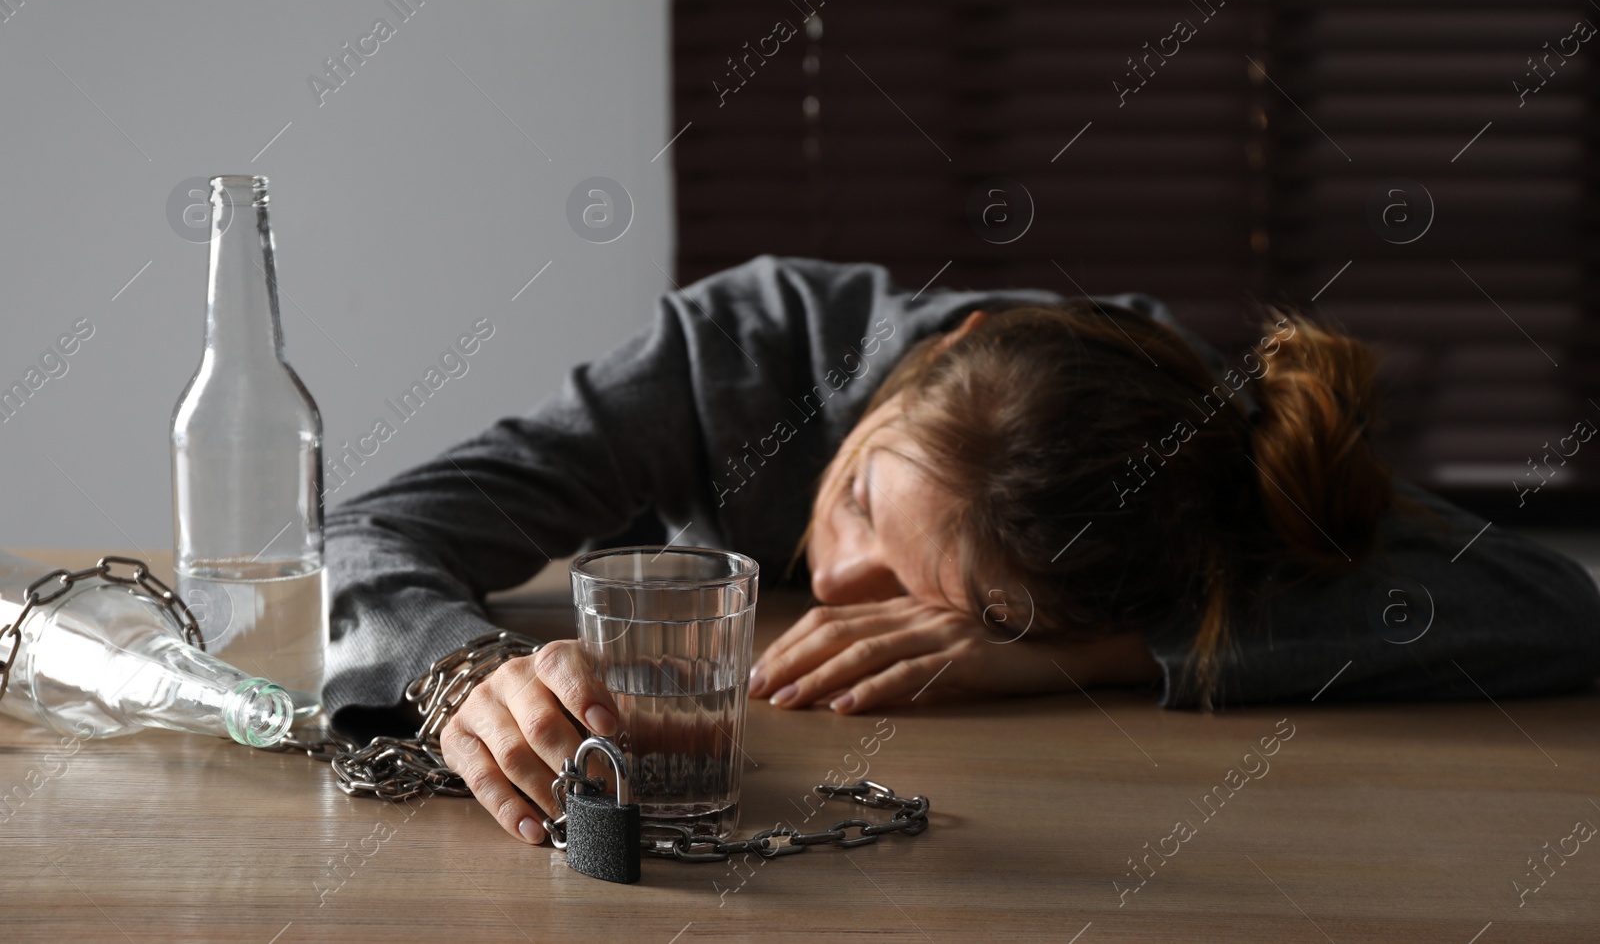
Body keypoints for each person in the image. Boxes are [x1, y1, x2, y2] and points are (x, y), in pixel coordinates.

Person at [322, 254, 1600, 845]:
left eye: (966, 606)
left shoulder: (1183, 467)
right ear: (941, 347)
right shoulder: (737, 349)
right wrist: (462, 670)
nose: (839, 584)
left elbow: (1552, 602)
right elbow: (371, 530)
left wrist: (1094, 655)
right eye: (869, 505)